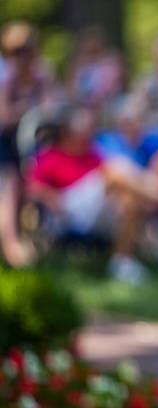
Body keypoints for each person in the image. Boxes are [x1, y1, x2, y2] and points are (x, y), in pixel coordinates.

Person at [27, 106, 158, 282]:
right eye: (83, 126)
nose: (89, 131)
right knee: (115, 170)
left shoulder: (92, 154)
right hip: (67, 209)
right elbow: (32, 189)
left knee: (128, 200)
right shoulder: (51, 156)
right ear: (67, 132)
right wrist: (52, 199)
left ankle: (122, 262)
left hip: (93, 211)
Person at [0, 22, 52, 267]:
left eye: (28, 50)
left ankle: (33, 241)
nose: (25, 56)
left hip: (32, 142)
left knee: (36, 183)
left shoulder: (41, 76)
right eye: (19, 51)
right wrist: (26, 111)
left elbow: (48, 110)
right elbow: (3, 117)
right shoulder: (6, 79)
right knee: (11, 187)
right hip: (7, 144)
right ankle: (11, 244)